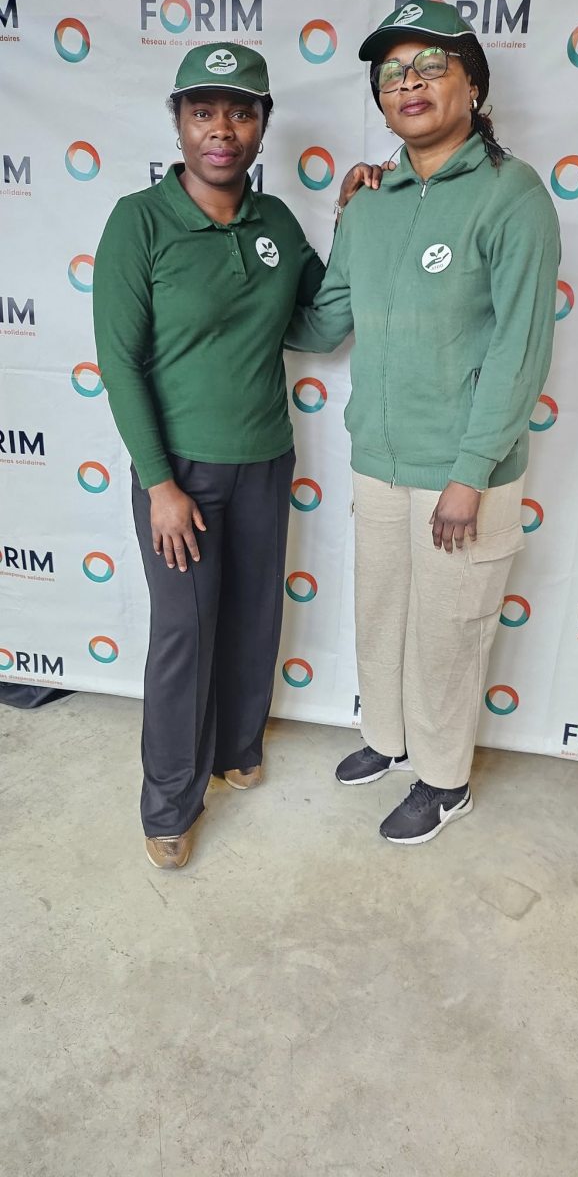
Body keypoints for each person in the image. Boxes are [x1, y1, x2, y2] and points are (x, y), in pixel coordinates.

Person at [286, 1, 561, 845]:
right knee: (382, 615)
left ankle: (444, 781)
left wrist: (469, 473)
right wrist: (238, 287)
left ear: (473, 85)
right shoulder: (371, 200)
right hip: (379, 456)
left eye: (431, 67)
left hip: (462, 471)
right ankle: (388, 738)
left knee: (449, 633)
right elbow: (324, 323)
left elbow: (519, 349)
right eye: (392, 74)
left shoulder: (513, 195)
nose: (410, 84)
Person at [93, 43, 373, 870]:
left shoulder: (275, 222)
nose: (223, 129)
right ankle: (169, 804)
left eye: (241, 113)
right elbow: (120, 363)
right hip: (180, 473)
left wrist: (351, 227)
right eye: (204, 112)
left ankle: (237, 749)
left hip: (265, 460)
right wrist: (159, 485)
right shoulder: (139, 222)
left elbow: (317, 324)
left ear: (262, 125)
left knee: (252, 616)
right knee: (185, 632)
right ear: (179, 122)